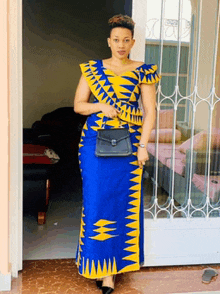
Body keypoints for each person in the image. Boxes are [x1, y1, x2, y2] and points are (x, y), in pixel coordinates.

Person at [74, 14, 161, 294]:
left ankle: (111, 271)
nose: (121, 45)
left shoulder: (144, 70)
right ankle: (99, 267)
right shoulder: (91, 69)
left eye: (126, 40)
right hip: (94, 145)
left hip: (128, 146)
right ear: (108, 41)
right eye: (116, 40)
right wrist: (100, 106)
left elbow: (150, 111)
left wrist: (143, 146)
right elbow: (78, 106)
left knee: (121, 204)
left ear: (132, 42)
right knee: (97, 202)